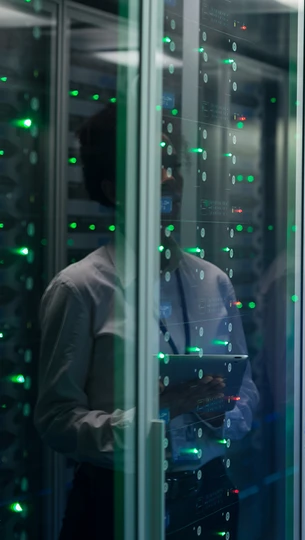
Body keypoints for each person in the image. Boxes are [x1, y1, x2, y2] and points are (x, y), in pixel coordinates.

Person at [34, 104, 258, 539]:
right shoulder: (81, 288)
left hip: (209, 489)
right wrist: (158, 413)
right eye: (155, 165)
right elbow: (57, 421)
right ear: (115, 188)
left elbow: (246, 391)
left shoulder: (213, 281)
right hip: (117, 500)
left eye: (172, 164)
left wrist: (218, 411)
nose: (172, 177)